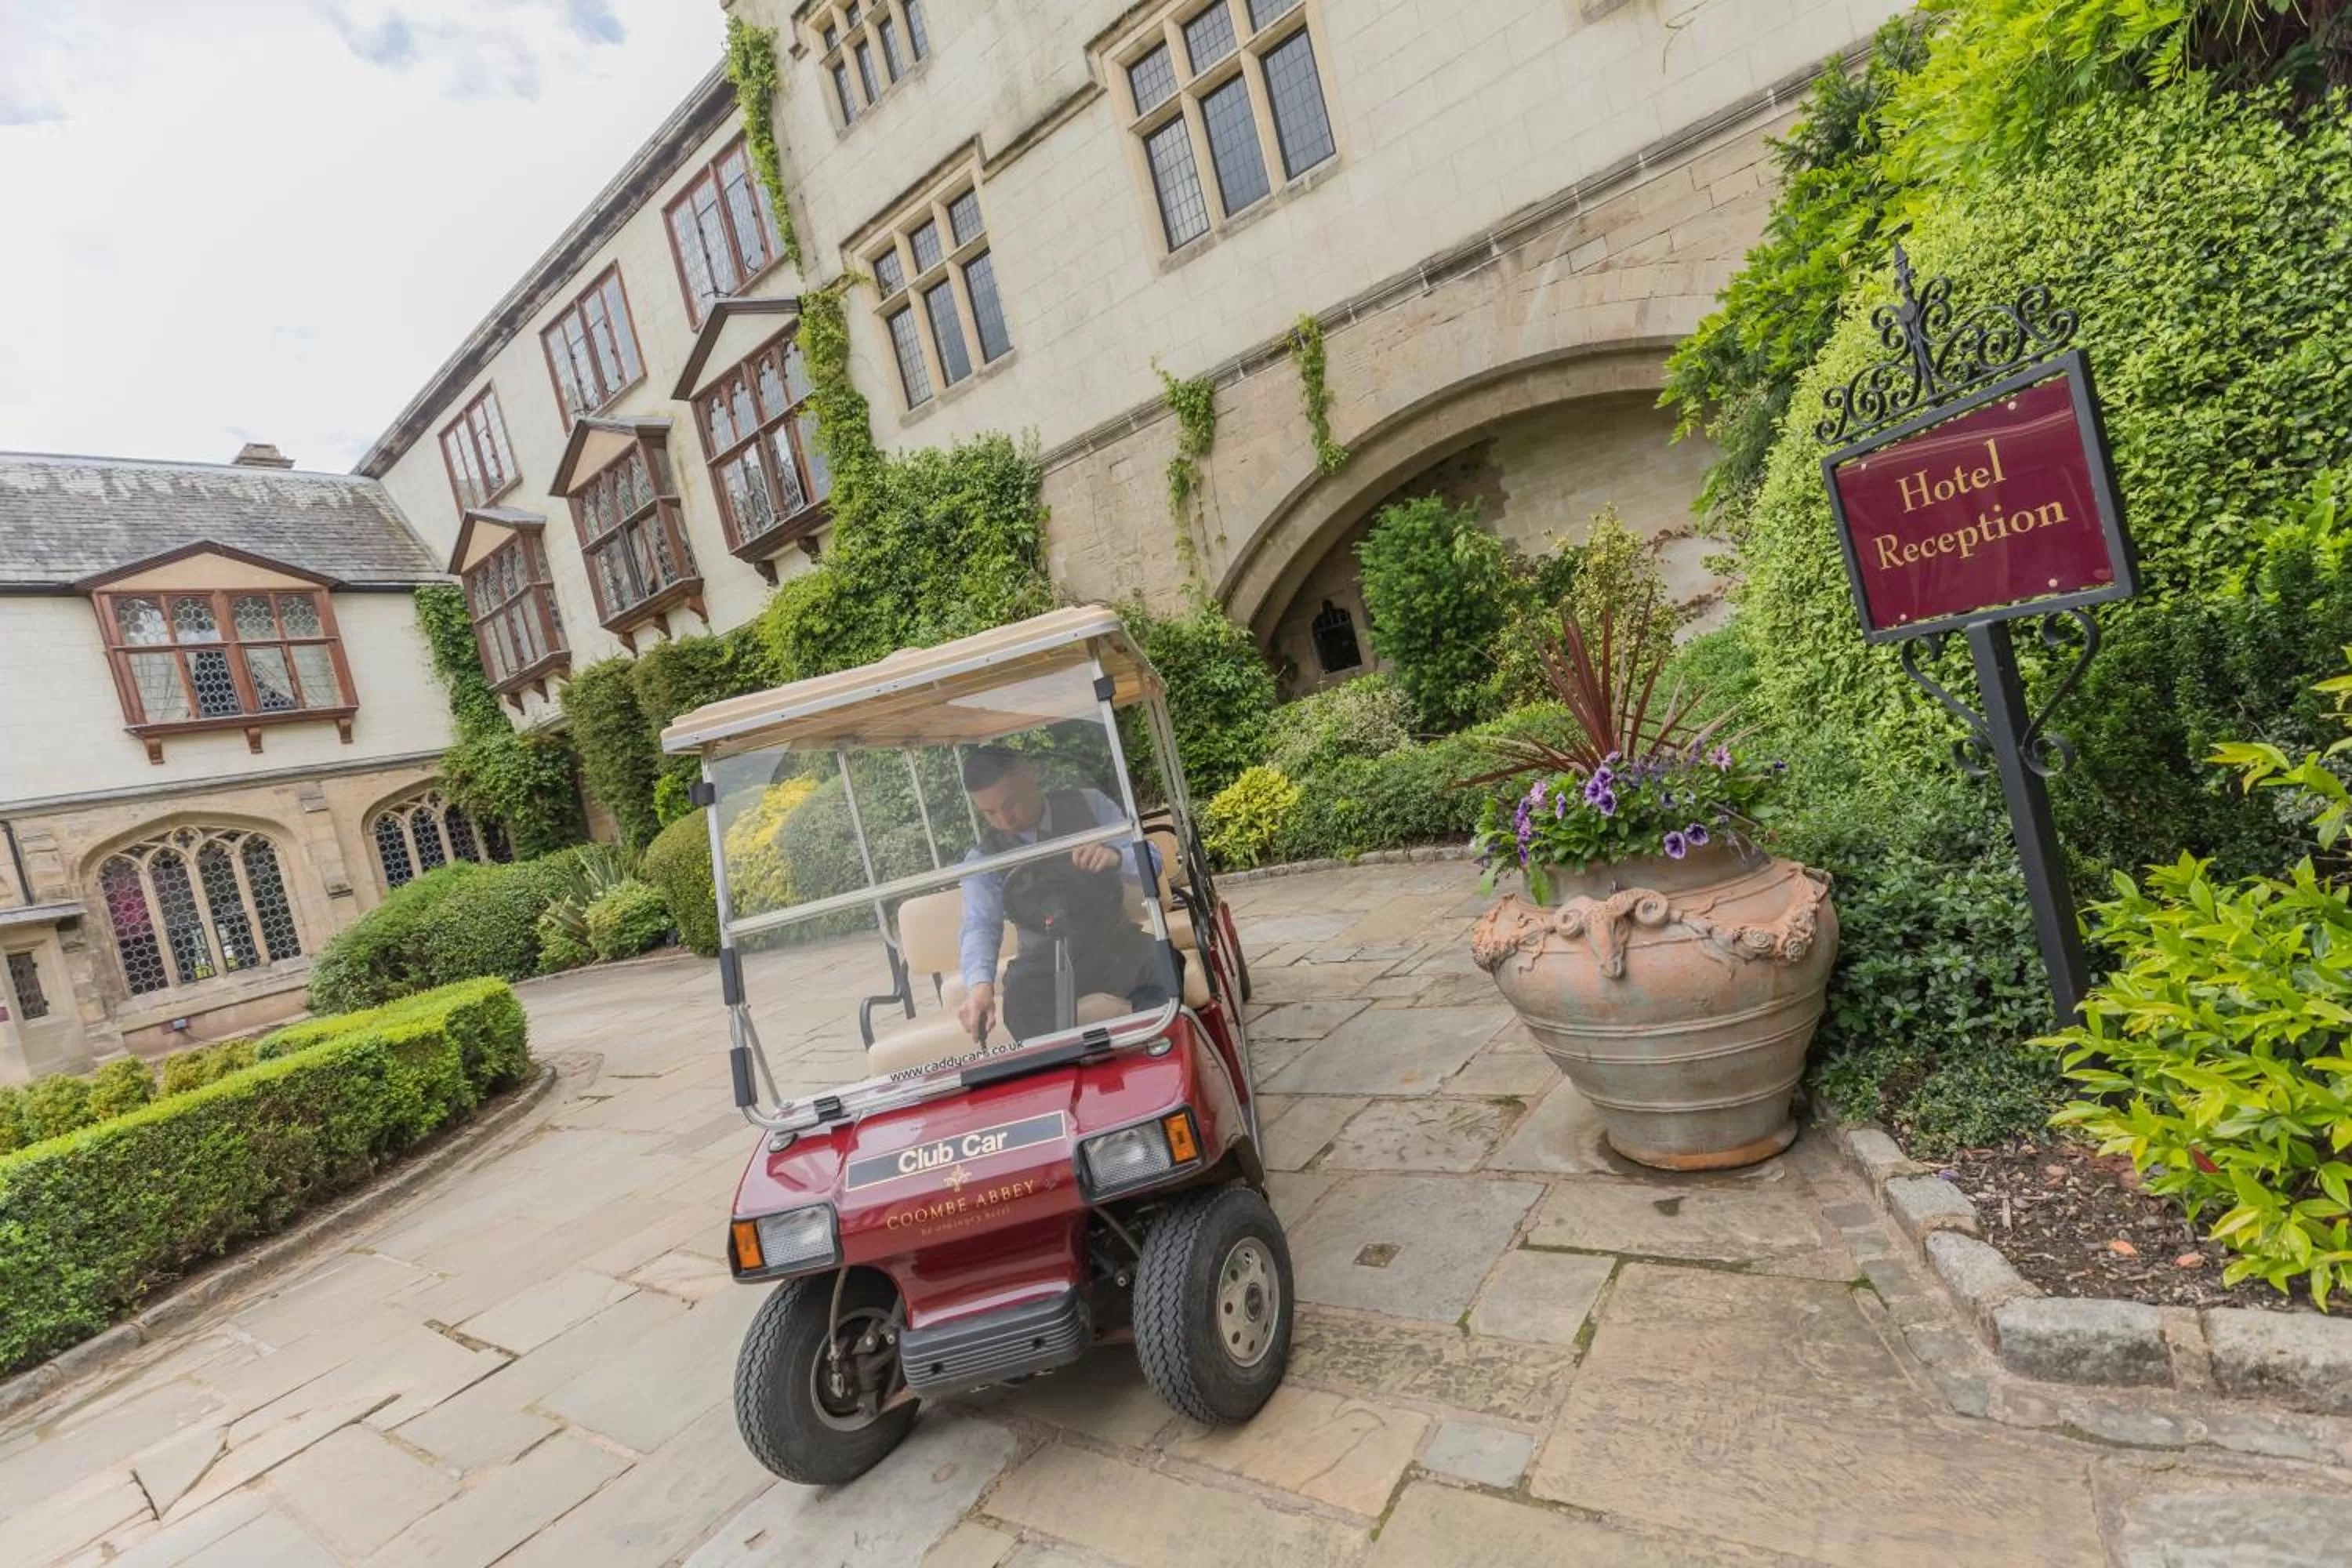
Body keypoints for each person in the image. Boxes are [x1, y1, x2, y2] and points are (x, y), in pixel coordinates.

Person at [955, 746, 1167, 1040]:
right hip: (1042, 964)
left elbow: (1152, 861)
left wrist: (1116, 856)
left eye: (1011, 803)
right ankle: (1081, 1063)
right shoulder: (983, 857)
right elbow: (980, 925)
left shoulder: (1091, 805)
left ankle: (1153, 1050)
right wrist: (980, 986)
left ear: (1029, 775)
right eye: (990, 812)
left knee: (1166, 966)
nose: (1006, 820)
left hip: (1113, 945)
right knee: (1020, 1008)